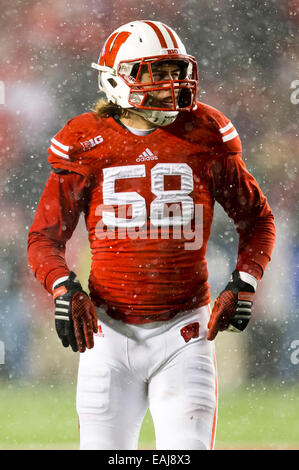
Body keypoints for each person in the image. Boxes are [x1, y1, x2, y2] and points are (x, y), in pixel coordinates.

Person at [27, 20, 276, 450]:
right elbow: (43, 238)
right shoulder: (86, 140)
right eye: (155, 73)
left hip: (186, 333)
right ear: (115, 78)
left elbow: (257, 220)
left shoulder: (206, 132)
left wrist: (244, 282)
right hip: (107, 334)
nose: (171, 84)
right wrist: (64, 288)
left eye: (175, 70)